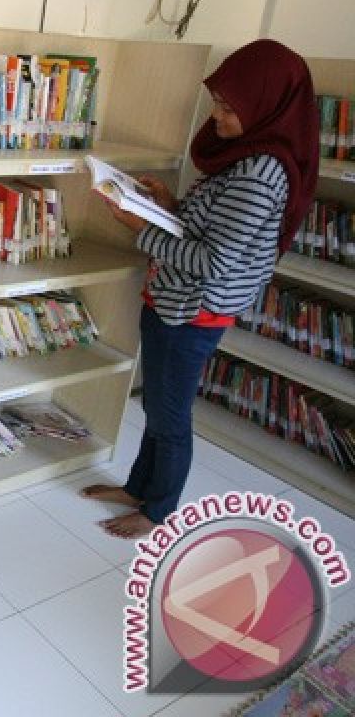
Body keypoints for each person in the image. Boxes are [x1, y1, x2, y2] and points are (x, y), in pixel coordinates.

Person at [82, 39, 319, 539]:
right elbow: (207, 229)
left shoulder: (260, 172)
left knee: (169, 413)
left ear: (266, 106)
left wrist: (136, 227)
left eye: (230, 108)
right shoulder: (243, 155)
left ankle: (158, 511)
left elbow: (213, 260)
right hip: (171, 301)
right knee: (157, 405)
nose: (217, 117)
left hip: (192, 312)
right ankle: (138, 486)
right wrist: (169, 203)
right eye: (217, 103)